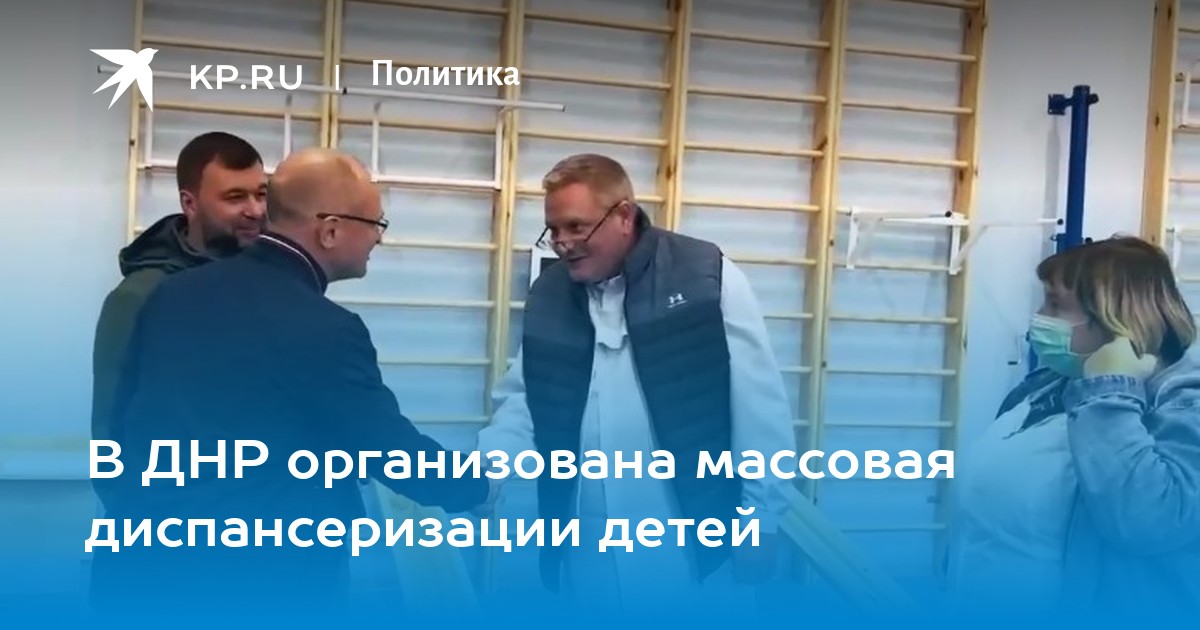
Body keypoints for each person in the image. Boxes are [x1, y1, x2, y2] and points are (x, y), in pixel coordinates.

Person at [92, 148, 492, 615]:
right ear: (330, 230)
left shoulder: (169, 295)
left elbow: (120, 424)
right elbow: (389, 450)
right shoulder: (326, 328)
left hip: (142, 572)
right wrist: (479, 488)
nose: (379, 239)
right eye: (376, 224)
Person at [474, 153, 796, 615]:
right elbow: (526, 399)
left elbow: (757, 402)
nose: (562, 243)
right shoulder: (549, 294)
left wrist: (761, 517)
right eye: (554, 229)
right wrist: (489, 471)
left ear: (623, 216)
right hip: (585, 540)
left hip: (688, 535)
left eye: (576, 226)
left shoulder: (706, 274)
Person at [948, 236, 1200, 616]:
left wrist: (1111, 389)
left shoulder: (1182, 402)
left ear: (1114, 318)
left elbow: (1148, 520)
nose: (1038, 317)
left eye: (1055, 305)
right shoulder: (1045, 386)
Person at [91, 131, 267, 448]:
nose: (255, 210)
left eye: (261, 194)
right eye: (235, 197)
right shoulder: (140, 297)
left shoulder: (273, 285)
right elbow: (111, 428)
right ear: (190, 203)